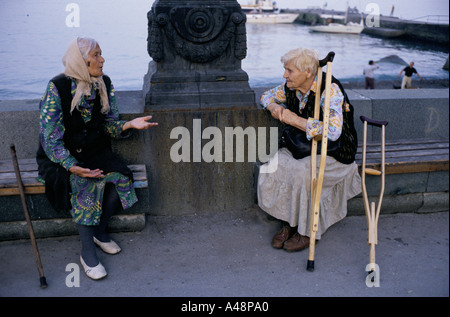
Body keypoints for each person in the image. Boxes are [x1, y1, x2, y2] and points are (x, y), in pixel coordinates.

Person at [37, 37, 158, 280]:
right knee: (85, 183)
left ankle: (99, 231)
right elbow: (50, 140)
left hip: (93, 152)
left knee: (122, 176)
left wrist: (128, 125)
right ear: (81, 60)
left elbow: (109, 126)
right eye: (96, 55)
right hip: (61, 157)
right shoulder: (57, 87)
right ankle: (87, 252)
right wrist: (72, 167)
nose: (102, 60)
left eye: (101, 54)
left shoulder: (104, 83)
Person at [257, 48, 361, 252]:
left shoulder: (330, 89)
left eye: (289, 70)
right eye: (285, 69)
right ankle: (289, 222)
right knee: (277, 166)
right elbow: (266, 96)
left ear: (307, 72)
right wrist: (274, 108)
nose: (284, 75)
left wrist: (294, 119)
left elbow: (332, 131)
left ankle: (307, 230)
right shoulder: (290, 87)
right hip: (303, 146)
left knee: (303, 173)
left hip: (336, 151)